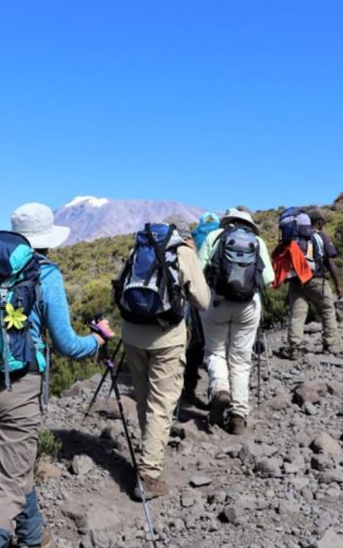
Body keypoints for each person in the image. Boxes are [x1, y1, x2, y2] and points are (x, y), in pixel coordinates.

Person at [0, 202, 107, 548]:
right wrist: (97, 339)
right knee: (5, 487)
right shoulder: (46, 274)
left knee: (13, 469)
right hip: (18, 388)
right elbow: (67, 345)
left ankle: (32, 535)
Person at [121, 221, 210, 500]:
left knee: (144, 397)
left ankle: (149, 451)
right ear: (183, 236)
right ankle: (148, 474)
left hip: (132, 333)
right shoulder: (183, 253)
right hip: (167, 338)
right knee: (161, 403)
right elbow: (203, 301)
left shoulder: (138, 250)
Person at [197, 208, 274, 435]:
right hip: (249, 306)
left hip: (216, 303)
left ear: (227, 222)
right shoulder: (258, 241)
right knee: (241, 360)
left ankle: (220, 389)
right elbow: (269, 279)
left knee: (215, 352)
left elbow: (200, 270)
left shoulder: (215, 237)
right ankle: (238, 415)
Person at [285, 208, 343, 357]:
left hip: (296, 281)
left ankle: (294, 348)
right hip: (316, 280)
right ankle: (330, 344)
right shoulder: (321, 236)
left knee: (297, 315)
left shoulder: (294, 237)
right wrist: (338, 285)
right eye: (322, 222)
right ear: (318, 222)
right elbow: (330, 263)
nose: (323, 226)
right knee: (327, 310)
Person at [181, 212, 219, 406]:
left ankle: (189, 386)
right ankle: (219, 389)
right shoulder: (223, 235)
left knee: (197, 340)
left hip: (199, 295)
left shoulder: (194, 236)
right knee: (219, 344)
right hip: (224, 297)